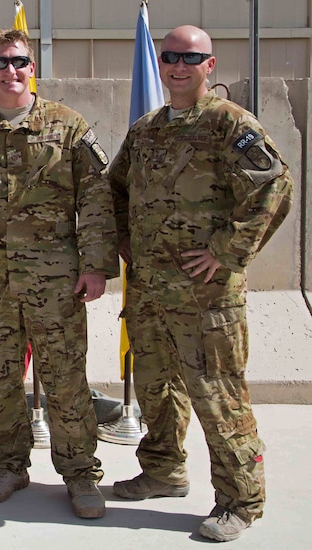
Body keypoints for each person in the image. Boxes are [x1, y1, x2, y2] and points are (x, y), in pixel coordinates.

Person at [109, 25, 294, 542]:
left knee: (218, 396)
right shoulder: (147, 128)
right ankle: (163, 469)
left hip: (206, 297)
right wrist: (124, 238)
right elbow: (115, 189)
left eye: (191, 57)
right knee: (156, 388)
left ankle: (241, 499)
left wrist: (226, 251)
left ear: (209, 66)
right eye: (169, 56)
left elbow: (274, 188)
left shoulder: (228, 123)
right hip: (149, 292)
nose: (178, 66)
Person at [0, 29, 118, 519]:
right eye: (0, 63)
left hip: (56, 282)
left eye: (19, 61)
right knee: (0, 381)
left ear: (32, 66)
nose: (10, 71)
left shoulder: (67, 126)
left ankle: (81, 474)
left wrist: (96, 266)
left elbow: (95, 200)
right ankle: (8, 466)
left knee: (65, 380)